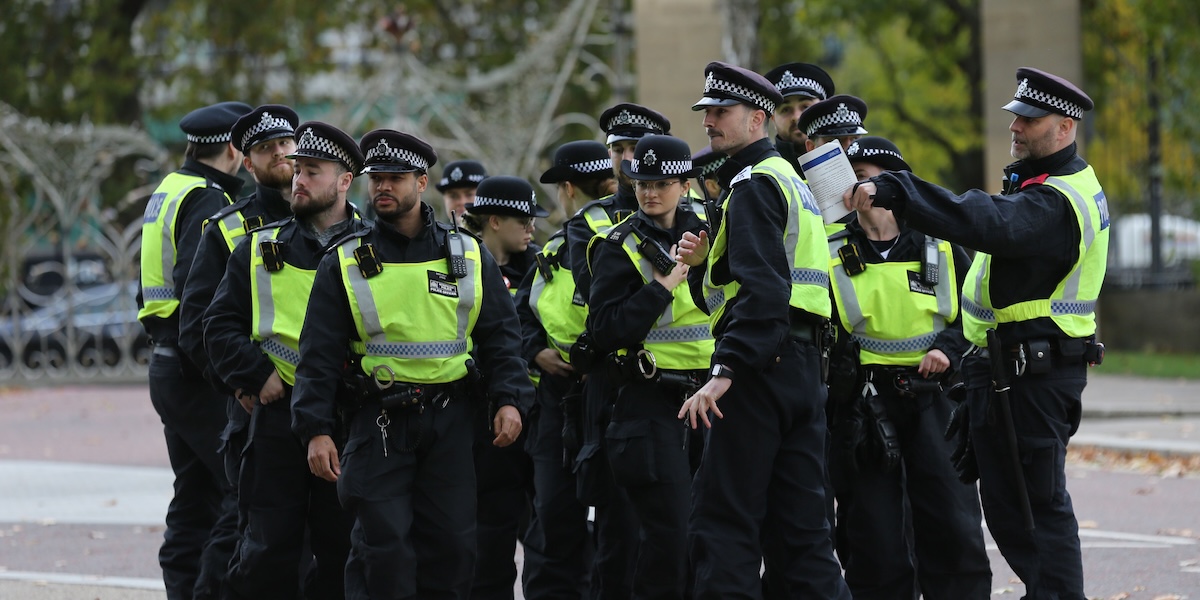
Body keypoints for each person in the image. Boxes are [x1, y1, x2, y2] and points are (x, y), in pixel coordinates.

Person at [844, 67, 1108, 599]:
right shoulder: (1042, 185)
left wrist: (900, 192)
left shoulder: (1057, 200)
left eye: (1029, 121)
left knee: (1036, 514)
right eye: (1016, 117)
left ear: (1064, 127)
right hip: (1008, 371)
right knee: (1015, 515)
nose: (1016, 128)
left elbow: (988, 222)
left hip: (1034, 374)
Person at [291, 128, 534, 600]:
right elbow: (317, 354)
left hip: (451, 422)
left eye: (394, 178)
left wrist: (511, 400)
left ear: (421, 183)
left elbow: (501, 337)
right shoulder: (344, 260)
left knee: (454, 551)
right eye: (375, 178)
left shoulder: (466, 253)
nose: (382, 187)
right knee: (384, 555)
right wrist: (314, 428)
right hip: (377, 423)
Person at [676, 61, 850, 599]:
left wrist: (725, 371)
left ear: (758, 118)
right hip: (800, 372)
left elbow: (764, 292)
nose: (709, 122)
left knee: (724, 528)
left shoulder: (751, 185)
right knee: (804, 539)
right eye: (706, 112)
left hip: (757, 375)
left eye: (720, 113)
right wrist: (708, 264)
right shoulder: (789, 181)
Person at [202, 121, 363, 599]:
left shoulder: (371, 247)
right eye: (297, 171)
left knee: (342, 552)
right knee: (266, 553)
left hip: (349, 418)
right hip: (278, 420)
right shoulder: (259, 247)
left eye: (312, 171)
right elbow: (216, 326)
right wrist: (255, 376)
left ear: (344, 180)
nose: (299, 180)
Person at [825, 136, 991, 598]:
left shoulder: (941, 242)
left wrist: (950, 350)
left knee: (952, 526)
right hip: (864, 403)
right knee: (873, 538)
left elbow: (978, 308)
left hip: (935, 397)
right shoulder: (830, 245)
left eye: (864, 178)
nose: (855, 190)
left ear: (895, 185)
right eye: (849, 179)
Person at [587, 134, 712, 599]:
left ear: (684, 184)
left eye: (660, 182)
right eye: (641, 182)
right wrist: (660, 289)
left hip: (714, 401)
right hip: (651, 404)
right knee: (668, 542)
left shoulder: (713, 233)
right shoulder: (617, 245)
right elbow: (604, 330)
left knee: (714, 540)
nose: (648, 192)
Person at [137, 100, 252, 600]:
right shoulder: (206, 200)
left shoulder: (168, 189)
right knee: (238, 488)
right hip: (193, 370)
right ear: (232, 149)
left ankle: (183, 589)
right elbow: (197, 297)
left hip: (166, 366)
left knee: (194, 496)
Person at [565, 103, 672, 598]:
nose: (628, 160)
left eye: (637, 149)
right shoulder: (593, 226)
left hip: (693, 391)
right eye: (619, 150)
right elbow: (600, 306)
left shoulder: (698, 216)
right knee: (621, 531)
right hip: (619, 387)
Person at [179, 104, 298, 488]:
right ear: (247, 163)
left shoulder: (340, 219)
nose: (279, 152)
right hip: (264, 409)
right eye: (266, 148)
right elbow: (196, 324)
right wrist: (243, 381)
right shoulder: (227, 229)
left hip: (335, 407)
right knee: (266, 541)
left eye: (284, 142)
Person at [516, 139, 614, 599]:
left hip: (603, 395)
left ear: (568, 189)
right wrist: (536, 350)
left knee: (563, 528)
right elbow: (516, 318)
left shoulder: (587, 241)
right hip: (566, 400)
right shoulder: (554, 252)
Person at [460, 175, 548, 600]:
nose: (531, 227)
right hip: (482, 419)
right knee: (489, 532)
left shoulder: (543, 266)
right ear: (493, 220)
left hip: (540, 414)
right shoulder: (457, 263)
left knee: (549, 533)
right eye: (523, 219)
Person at [764, 62, 835, 174]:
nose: (796, 117)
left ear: (823, 111)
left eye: (805, 107)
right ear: (772, 118)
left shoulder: (851, 157)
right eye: (785, 109)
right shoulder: (761, 169)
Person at [438, 159, 489, 227]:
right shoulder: (435, 236)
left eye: (469, 194)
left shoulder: (501, 235)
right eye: (453, 196)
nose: (462, 202)